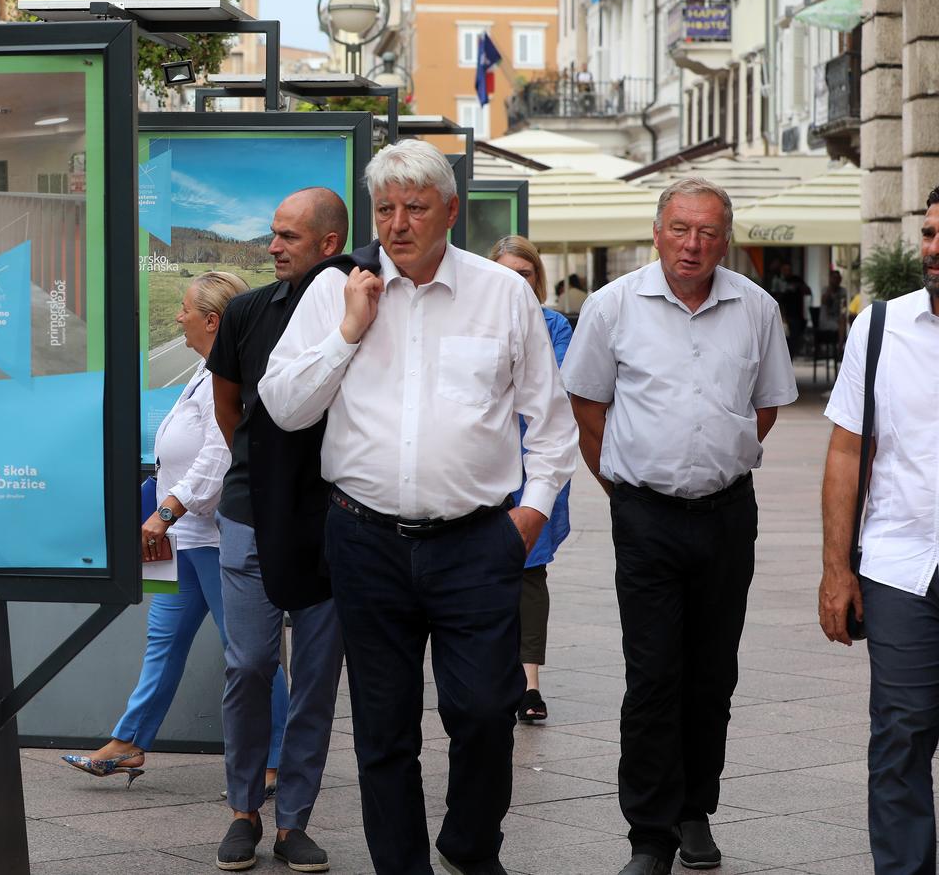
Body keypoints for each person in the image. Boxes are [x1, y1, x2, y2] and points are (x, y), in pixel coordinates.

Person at [261, 144, 576, 875]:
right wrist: (346, 332)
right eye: (385, 209)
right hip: (365, 538)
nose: (398, 224)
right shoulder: (336, 289)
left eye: (415, 208)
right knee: (383, 728)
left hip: (476, 542)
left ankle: (470, 842)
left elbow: (551, 423)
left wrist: (529, 515)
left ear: (451, 211)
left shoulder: (502, 292)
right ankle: (402, 865)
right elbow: (283, 405)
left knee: (484, 712)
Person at [562, 177, 798, 875]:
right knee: (654, 673)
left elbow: (766, 406)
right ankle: (649, 831)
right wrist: (632, 488)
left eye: (707, 232)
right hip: (647, 516)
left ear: (726, 239)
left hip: (727, 512)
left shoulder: (755, 307)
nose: (692, 244)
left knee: (711, 672)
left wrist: (710, 461)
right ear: (658, 229)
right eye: (680, 228)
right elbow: (587, 408)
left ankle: (696, 807)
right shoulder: (612, 307)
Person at [61, 272, 290, 795]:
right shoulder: (202, 372)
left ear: (213, 320)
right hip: (184, 539)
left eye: (185, 309)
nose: (178, 317)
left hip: (214, 537)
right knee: (164, 643)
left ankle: (279, 752)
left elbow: (218, 452)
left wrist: (167, 509)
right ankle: (129, 741)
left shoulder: (223, 378)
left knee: (250, 652)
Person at [206, 186, 352, 874]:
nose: (271, 246)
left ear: (328, 243)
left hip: (332, 520)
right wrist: (264, 470)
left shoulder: (360, 305)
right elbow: (228, 405)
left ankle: (295, 821)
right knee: (250, 663)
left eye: (288, 236)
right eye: (272, 233)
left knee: (318, 676)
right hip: (250, 513)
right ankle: (244, 809)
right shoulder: (243, 311)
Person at [819, 187, 939, 875]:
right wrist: (837, 569)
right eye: (926, 233)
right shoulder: (882, 326)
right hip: (901, 566)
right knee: (899, 737)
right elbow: (845, 449)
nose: (932, 248)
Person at [489, 235, 575, 725]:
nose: (515, 282)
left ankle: (529, 683)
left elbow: (554, 387)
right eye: (504, 273)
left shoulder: (553, 324)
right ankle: (493, 671)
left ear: (537, 279)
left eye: (524, 273)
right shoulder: (472, 319)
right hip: (481, 465)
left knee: (529, 570)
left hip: (535, 461)